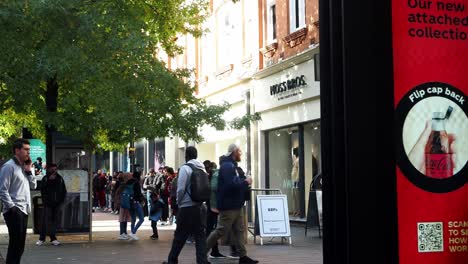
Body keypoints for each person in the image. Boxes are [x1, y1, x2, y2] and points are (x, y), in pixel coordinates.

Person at [206, 144, 258, 264]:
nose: (241, 153)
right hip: (229, 206)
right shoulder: (228, 166)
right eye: (239, 151)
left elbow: (232, 183)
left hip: (235, 204)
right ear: (234, 152)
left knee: (239, 230)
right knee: (220, 230)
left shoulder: (230, 165)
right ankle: (201, 253)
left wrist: (243, 181)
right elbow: (231, 185)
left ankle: (243, 256)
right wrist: (245, 181)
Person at [163, 146, 208, 264]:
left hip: (187, 207)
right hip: (200, 206)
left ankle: (172, 260)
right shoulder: (202, 168)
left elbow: (180, 189)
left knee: (180, 236)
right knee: (200, 237)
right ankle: (202, 261)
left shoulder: (185, 168)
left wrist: (179, 202)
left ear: (186, 156)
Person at [0, 139, 37, 264]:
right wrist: (12, 207)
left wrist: (28, 170)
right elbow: (2, 190)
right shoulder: (9, 167)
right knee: (15, 245)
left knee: (20, 245)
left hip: (24, 209)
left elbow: (34, 185)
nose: (28, 152)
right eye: (26, 149)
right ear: (17, 150)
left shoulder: (26, 166)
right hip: (14, 210)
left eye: (29, 150)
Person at [36, 163, 67, 246]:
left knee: (54, 221)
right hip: (48, 204)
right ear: (49, 169)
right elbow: (42, 189)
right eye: (52, 169)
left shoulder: (59, 178)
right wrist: (49, 181)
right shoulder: (45, 178)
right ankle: (41, 238)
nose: (54, 171)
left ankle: (53, 238)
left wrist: (61, 201)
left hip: (57, 203)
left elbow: (63, 190)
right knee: (45, 221)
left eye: (55, 169)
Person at [143, 168, 158, 239]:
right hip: (149, 193)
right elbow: (144, 185)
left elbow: (157, 185)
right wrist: (150, 186)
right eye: (151, 172)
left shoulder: (156, 177)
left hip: (154, 194)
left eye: (153, 172)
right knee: (149, 205)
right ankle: (150, 216)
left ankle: (153, 216)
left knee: (154, 205)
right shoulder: (147, 178)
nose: (152, 174)